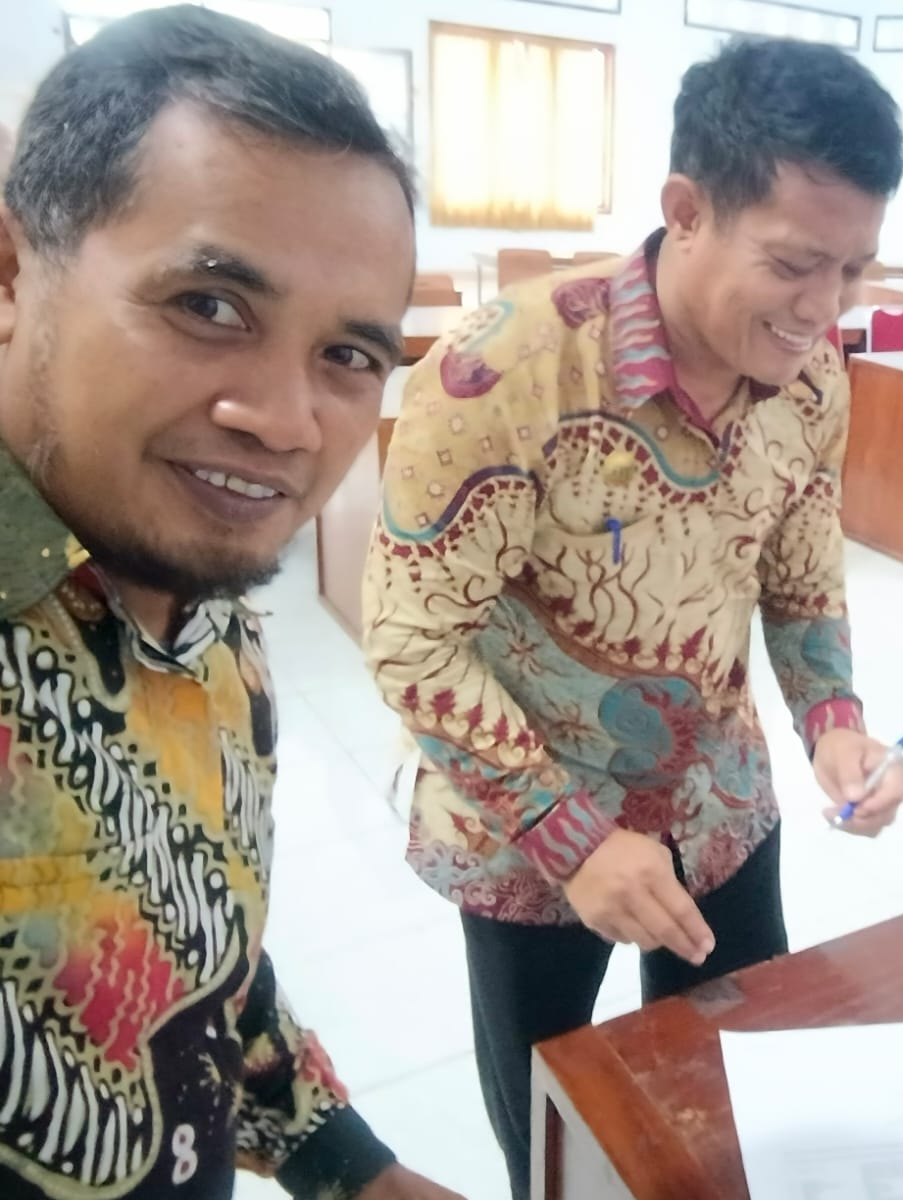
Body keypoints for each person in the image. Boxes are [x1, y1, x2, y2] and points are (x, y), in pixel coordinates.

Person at [363, 36, 903, 1199]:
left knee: (737, 1094)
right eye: (794, 264)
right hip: (528, 825)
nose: (823, 309)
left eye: (854, 270)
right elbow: (413, 637)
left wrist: (834, 721)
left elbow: (802, 571)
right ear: (686, 210)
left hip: (717, 801)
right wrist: (571, 838)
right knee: (557, 1132)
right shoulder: (504, 371)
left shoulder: (813, 374)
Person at [0, 8, 460, 1198]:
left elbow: (195, 945)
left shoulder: (207, 604)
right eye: (209, 306)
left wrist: (351, 1167)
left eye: (348, 356)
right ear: (10, 273)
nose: (287, 423)